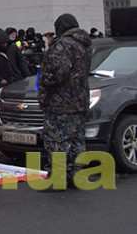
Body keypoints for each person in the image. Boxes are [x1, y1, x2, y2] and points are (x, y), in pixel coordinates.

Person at [38, 13, 92, 188]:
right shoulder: (84, 44)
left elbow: (54, 73)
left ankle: (59, 177)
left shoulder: (63, 45)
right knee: (77, 140)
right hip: (79, 101)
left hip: (60, 103)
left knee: (57, 141)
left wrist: (43, 83)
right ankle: (77, 175)